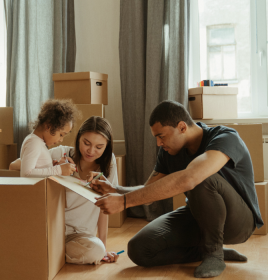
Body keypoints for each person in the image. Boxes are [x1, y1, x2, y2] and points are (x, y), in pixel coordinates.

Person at [90, 100, 262, 278]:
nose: (158, 143)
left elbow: (191, 178)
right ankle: (204, 251)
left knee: (201, 177)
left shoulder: (225, 137)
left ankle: (214, 254)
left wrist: (124, 202)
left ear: (181, 127)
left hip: (239, 222)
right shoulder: (169, 151)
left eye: (161, 136)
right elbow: (149, 192)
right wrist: (115, 190)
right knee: (139, 249)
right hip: (198, 216)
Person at [11, 116, 121, 264]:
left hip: (80, 236)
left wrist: (104, 247)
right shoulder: (61, 153)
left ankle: (48, 252)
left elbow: (105, 207)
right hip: (52, 229)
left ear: (106, 147)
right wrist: (54, 168)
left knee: (96, 251)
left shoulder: (109, 164)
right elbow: (15, 166)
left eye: (99, 147)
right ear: (78, 138)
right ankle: (49, 251)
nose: (91, 151)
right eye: (86, 143)